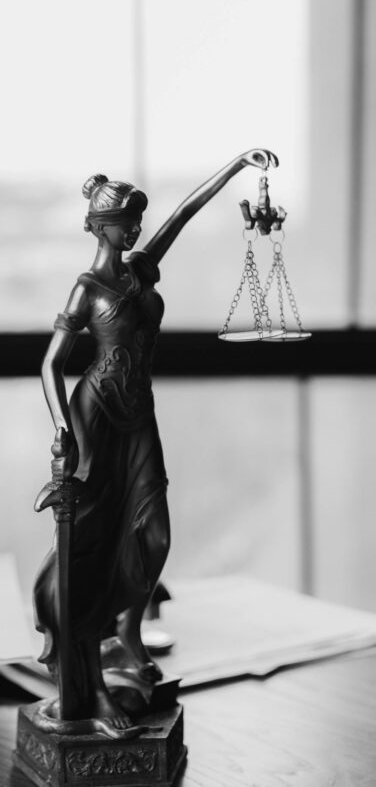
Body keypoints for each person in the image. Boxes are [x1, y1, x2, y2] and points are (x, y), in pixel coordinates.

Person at [33, 149, 278, 734]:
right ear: (99, 227)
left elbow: (187, 212)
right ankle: (87, 669)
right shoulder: (87, 287)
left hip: (139, 413)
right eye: (125, 221)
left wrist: (238, 167)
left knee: (153, 531)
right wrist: (63, 429)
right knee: (91, 537)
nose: (136, 228)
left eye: (138, 219)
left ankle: (127, 630)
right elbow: (50, 366)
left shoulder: (142, 269)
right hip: (95, 417)